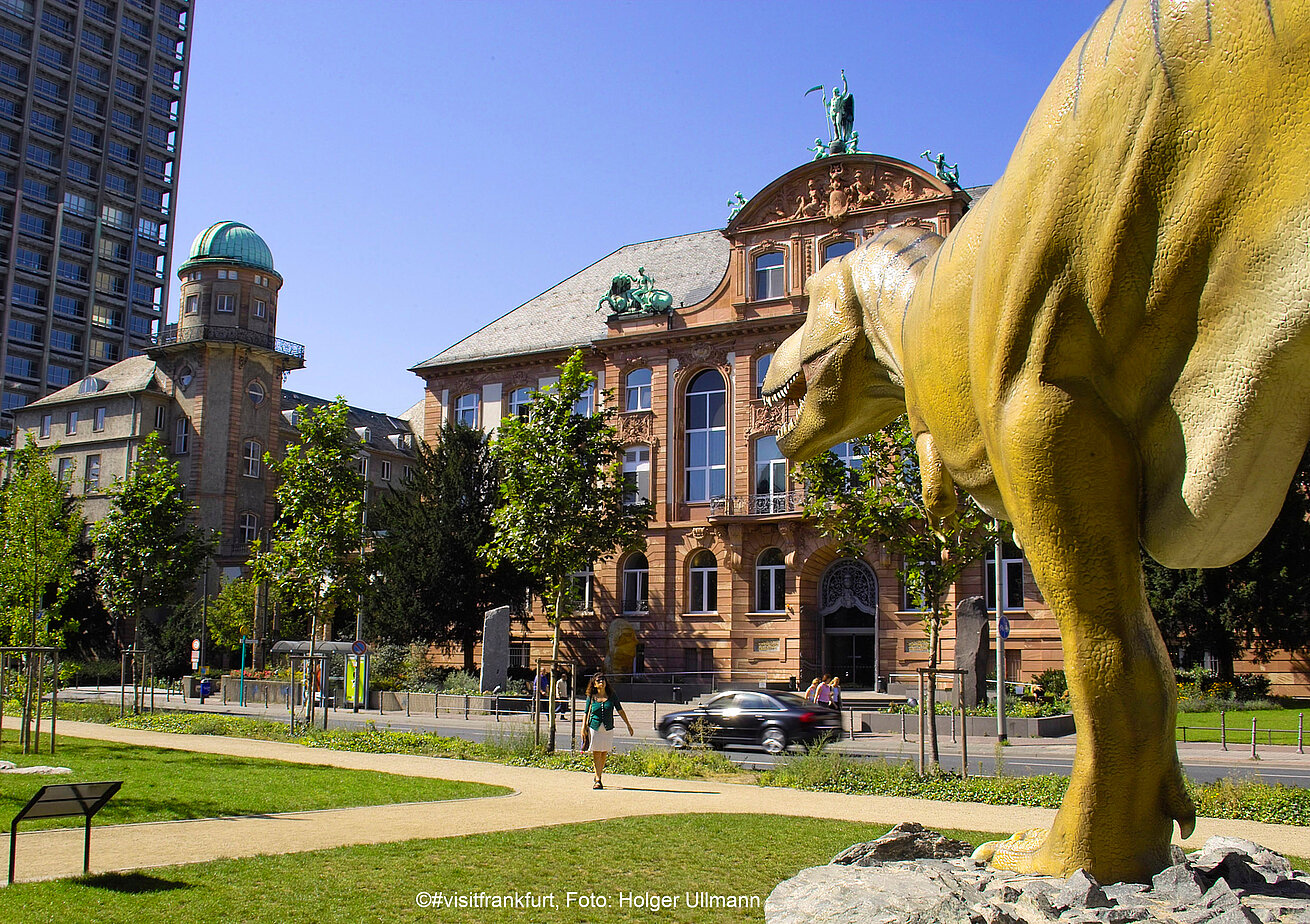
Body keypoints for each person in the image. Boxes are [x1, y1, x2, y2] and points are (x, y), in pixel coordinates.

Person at [581, 672, 633, 790]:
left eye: (603, 680)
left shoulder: (612, 695)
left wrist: (628, 725)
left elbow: (620, 710)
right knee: (596, 752)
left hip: (608, 727)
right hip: (595, 727)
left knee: (604, 752)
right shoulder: (592, 697)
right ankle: (598, 779)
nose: (601, 682)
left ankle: (598, 774)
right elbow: (586, 712)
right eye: (598, 680)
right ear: (594, 684)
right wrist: (583, 727)